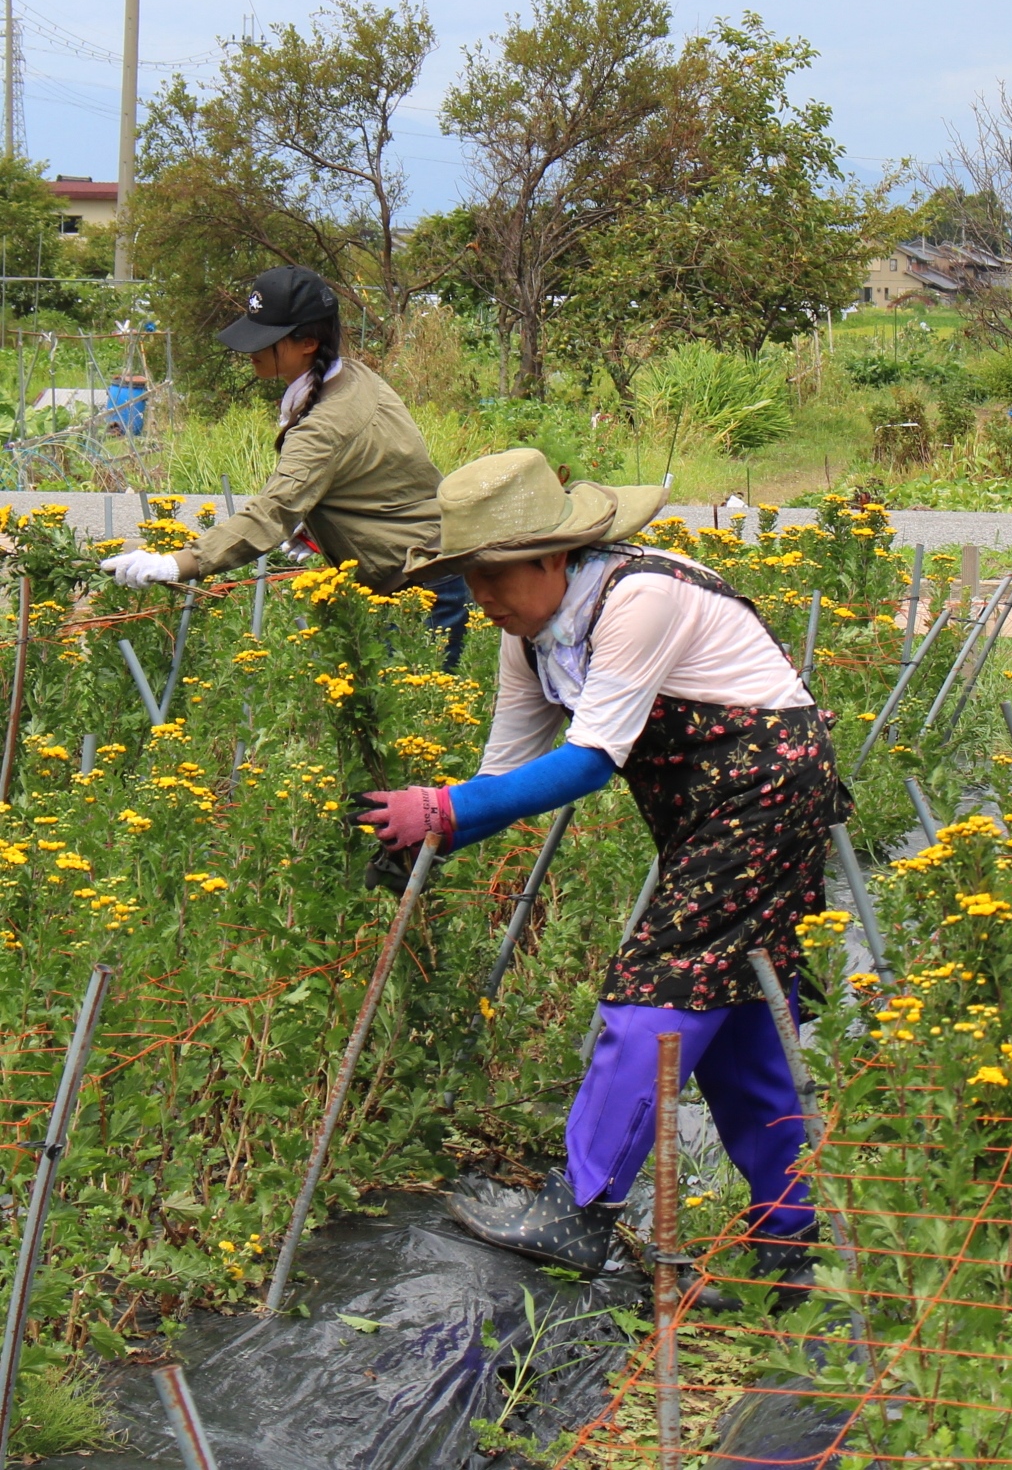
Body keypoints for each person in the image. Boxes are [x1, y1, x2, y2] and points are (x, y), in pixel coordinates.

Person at [349, 448, 836, 1294]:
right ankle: (788, 1243)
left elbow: (588, 763)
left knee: (657, 987)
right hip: (708, 810)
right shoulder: (532, 639)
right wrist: (432, 838)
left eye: (496, 575)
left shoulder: (637, 597)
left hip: (766, 790)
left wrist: (446, 808)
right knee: (740, 1018)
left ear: (552, 555)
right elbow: (503, 773)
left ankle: (582, 1209)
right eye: (468, 577)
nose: (486, 599)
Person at [98, 265, 469, 665]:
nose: (250, 351)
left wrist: (176, 564)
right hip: (434, 566)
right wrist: (320, 524)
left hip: (418, 593)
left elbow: (272, 512)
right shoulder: (356, 378)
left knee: (416, 718)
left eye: (267, 339)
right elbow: (381, 475)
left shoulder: (324, 426)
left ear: (308, 342)